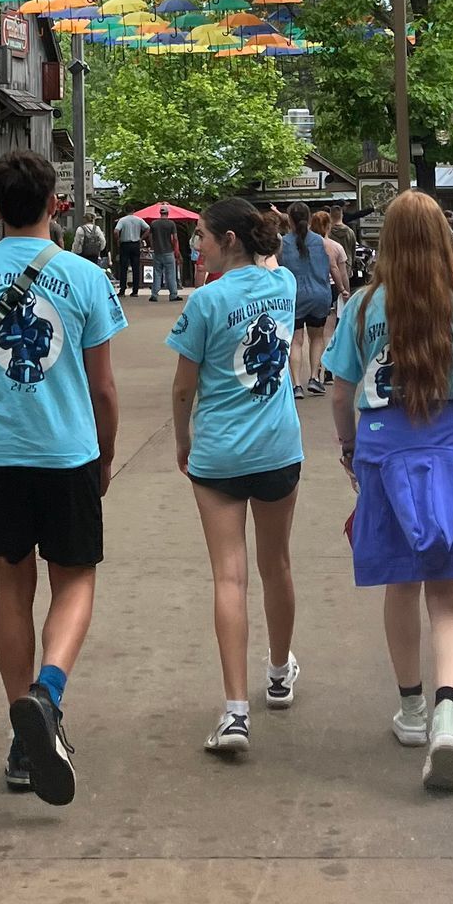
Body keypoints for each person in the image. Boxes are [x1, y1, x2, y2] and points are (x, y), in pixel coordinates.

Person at [0, 151, 124, 804]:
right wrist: (106, 453)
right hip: (67, 453)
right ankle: (49, 693)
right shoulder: (86, 278)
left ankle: (21, 739)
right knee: (75, 582)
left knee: (12, 587)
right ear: (53, 202)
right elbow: (104, 388)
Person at [324, 190, 453, 793]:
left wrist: (349, 450)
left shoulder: (361, 305)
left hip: (383, 453)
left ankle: (411, 711)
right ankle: (449, 710)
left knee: (399, 586)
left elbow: (338, 389)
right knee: (448, 600)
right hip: (447, 450)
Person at [167, 199, 304, 757]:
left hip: (218, 455)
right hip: (277, 451)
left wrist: (183, 440)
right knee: (277, 565)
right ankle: (278, 672)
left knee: (230, 578)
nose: (195, 246)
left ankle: (234, 711)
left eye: (200, 237)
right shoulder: (286, 287)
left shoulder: (205, 302)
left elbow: (183, 388)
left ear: (226, 239)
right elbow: (271, 268)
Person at [278, 201, 335, 392]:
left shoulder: (283, 243)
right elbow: (332, 266)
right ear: (309, 218)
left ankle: (296, 384)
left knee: (296, 340)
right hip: (319, 294)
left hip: (293, 296)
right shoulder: (321, 242)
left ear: (290, 221)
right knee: (317, 337)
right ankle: (314, 377)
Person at [312, 205, 351, 344]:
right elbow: (342, 272)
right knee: (331, 322)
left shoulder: (306, 245)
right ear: (329, 226)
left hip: (312, 286)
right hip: (333, 288)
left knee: (314, 332)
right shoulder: (335, 246)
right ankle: (329, 352)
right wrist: (345, 290)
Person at [147, 207, 183, 304]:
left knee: (157, 273)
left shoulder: (154, 223)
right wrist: (176, 250)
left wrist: (153, 246)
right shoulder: (171, 224)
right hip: (168, 252)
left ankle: (154, 294)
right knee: (171, 273)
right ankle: (173, 295)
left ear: (160, 213)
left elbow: (150, 237)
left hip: (157, 252)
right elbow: (175, 238)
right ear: (168, 213)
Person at [114, 207, 147, 298]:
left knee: (123, 267)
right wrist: (141, 238)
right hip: (136, 244)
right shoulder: (139, 220)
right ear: (133, 211)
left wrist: (118, 240)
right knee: (136, 267)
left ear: (125, 211)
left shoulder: (122, 220)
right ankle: (135, 290)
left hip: (125, 244)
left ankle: (122, 290)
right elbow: (148, 228)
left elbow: (116, 231)